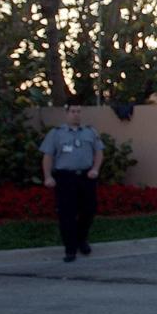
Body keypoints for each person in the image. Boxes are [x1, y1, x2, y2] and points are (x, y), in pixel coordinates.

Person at [40, 104, 104, 262]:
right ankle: (70, 249)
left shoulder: (90, 132)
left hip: (85, 177)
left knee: (89, 210)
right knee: (66, 214)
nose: (76, 115)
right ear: (67, 113)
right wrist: (48, 176)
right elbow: (48, 156)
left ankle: (81, 240)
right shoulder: (56, 133)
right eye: (73, 112)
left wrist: (95, 169)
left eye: (79, 112)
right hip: (65, 178)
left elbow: (99, 152)